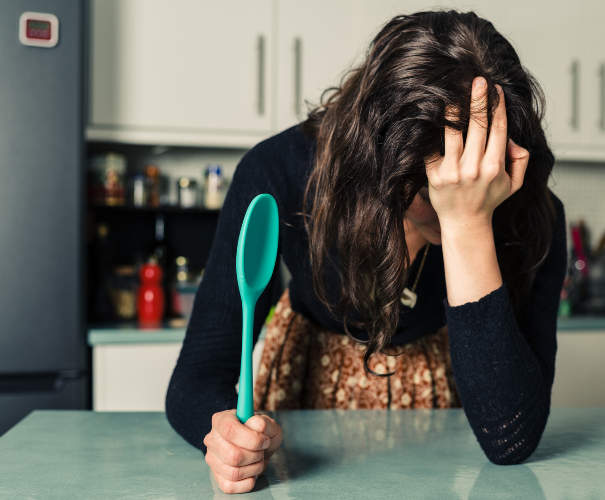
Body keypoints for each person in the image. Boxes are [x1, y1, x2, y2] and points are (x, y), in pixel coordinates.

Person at [166, 10, 567, 494]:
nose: (459, 195)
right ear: (376, 161)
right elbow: (196, 377)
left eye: (481, 179)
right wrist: (224, 434)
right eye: (432, 189)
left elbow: (512, 441)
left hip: (444, 441)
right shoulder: (280, 171)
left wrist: (469, 224)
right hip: (306, 410)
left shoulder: (526, 210)